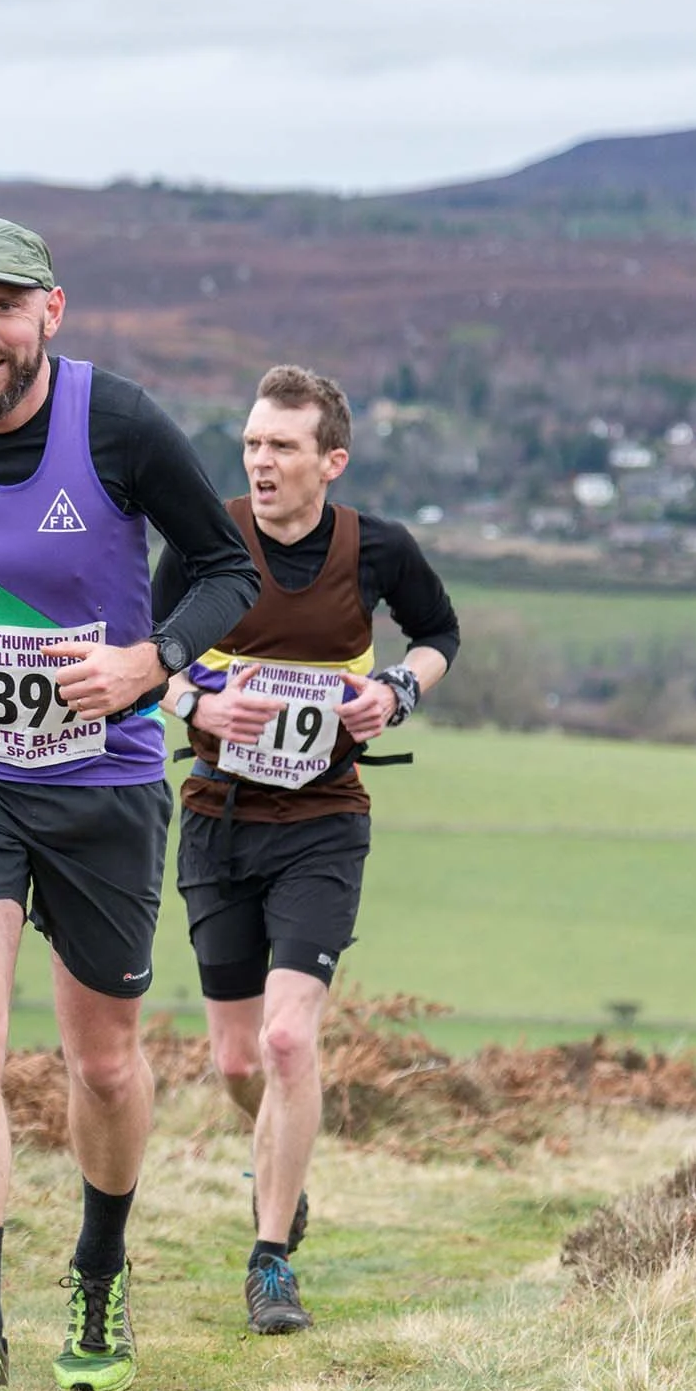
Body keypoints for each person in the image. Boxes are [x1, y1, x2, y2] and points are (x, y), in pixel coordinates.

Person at [0, 218, 258, 1391]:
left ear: (50, 311)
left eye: (5, 306)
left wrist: (152, 661)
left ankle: (99, 1267)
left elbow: (226, 567)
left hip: (101, 781)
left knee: (104, 1059)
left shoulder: (117, 423)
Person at [154, 365, 459, 1336]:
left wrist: (397, 692)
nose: (261, 460)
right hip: (217, 817)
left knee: (288, 1040)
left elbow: (439, 631)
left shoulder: (379, 548)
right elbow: (143, 653)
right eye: (251, 443)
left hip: (324, 820)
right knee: (236, 1059)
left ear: (330, 460)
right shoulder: (205, 540)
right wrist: (198, 702)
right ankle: (282, 1164)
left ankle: (270, 1256)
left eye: (281, 446)